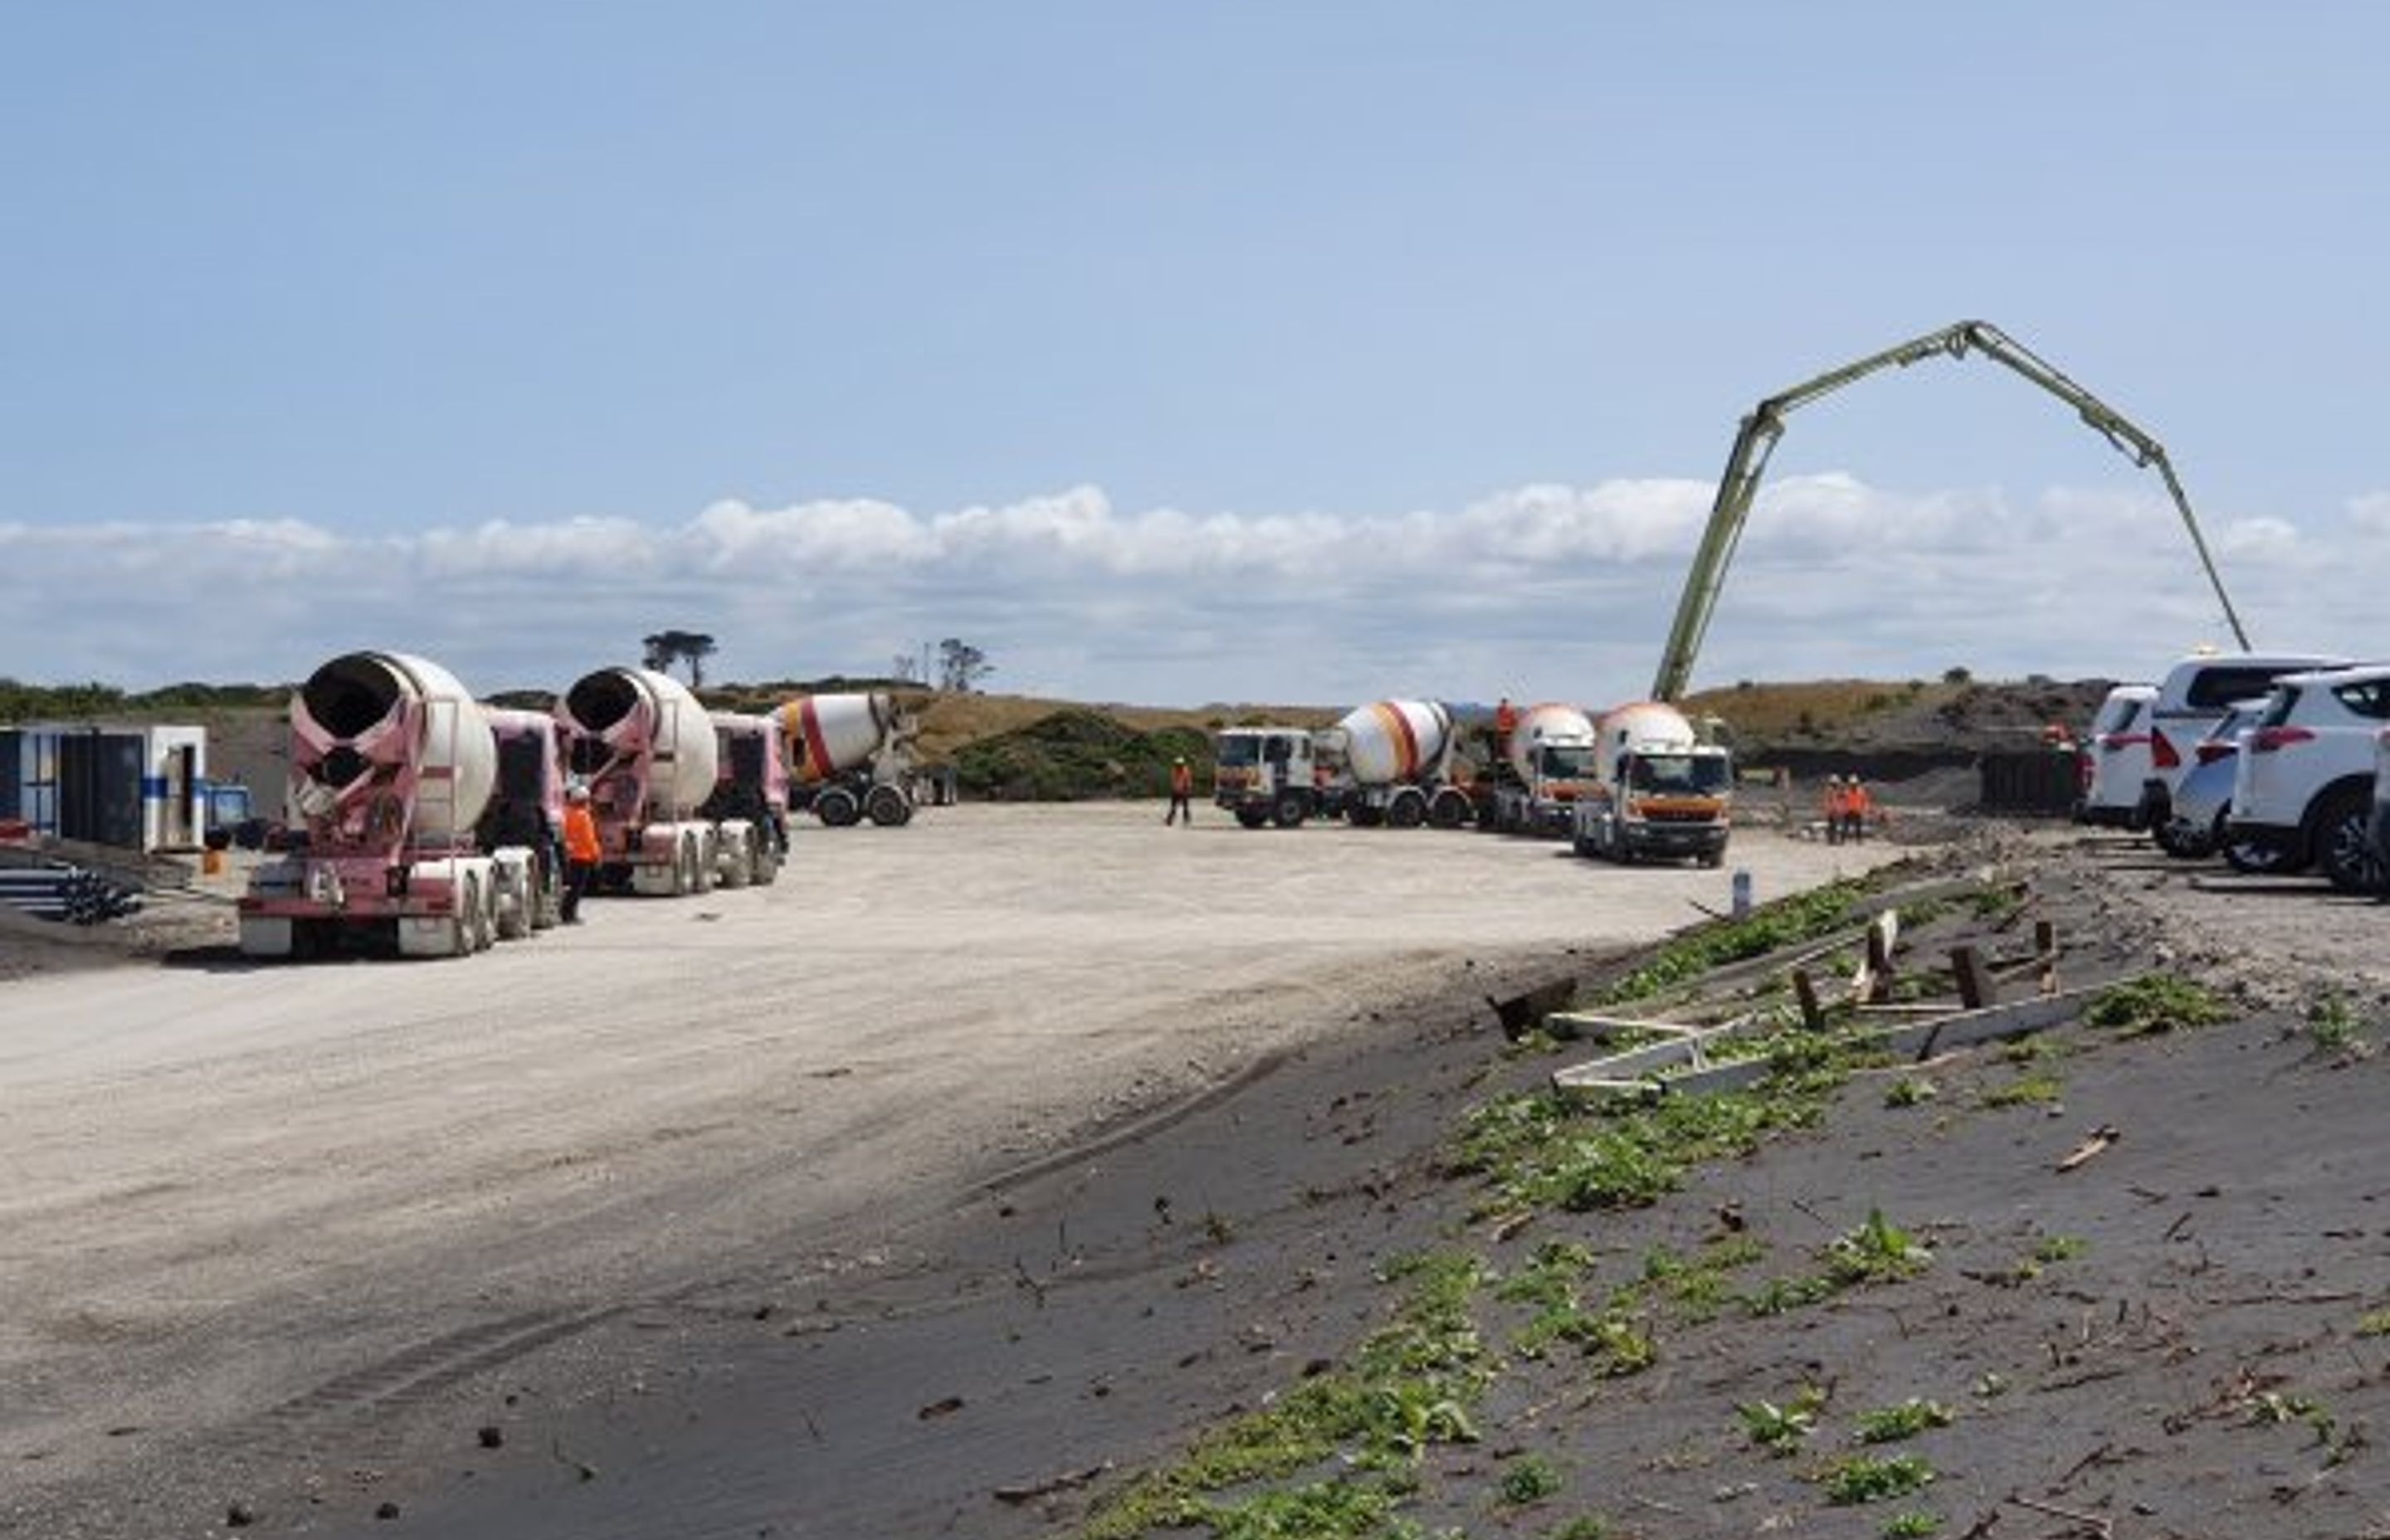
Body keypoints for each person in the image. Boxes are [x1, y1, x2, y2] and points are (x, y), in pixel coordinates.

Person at [560, 781, 602, 923]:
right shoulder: (583, 816)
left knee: (571, 887)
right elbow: (589, 839)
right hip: (583, 857)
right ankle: (570, 915)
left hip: (571, 856)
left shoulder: (567, 813)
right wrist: (596, 855)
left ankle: (565, 913)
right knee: (577, 889)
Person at [1841, 775, 1874, 844]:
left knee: (1858, 827)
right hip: (1848, 810)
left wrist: (1865, 808)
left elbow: (1864, 800)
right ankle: (1843, 840)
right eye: (1852, 784)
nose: (1853, 785)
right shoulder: (1847, 791)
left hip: (1857, 810)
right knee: (1846, 826)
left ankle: (1858, 840)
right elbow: (1843, 801)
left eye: (1854, 784)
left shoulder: (1860, 791)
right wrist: (1843, 809)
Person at [1165, 755, 1194, 826]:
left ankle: (1186, 819)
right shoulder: (1174, 770)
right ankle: (1170, 820)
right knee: (1173, 806)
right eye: (1177, 764)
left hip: (1183, 790)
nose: (1179, 766)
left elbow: (1188, 781)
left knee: (1185, 807)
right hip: (1176, 791)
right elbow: (1173, 781)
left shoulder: (1185, 771)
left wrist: (1188, 789)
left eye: (1180, 764)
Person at [1822, 774, 1847, 845]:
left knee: (1836, 825)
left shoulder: (1839, 790)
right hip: (1832, 810)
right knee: (1832, 825)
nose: (1835, 784)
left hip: (1837, 810)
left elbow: (1843, 798)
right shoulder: (1830, 790)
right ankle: (1831, 840)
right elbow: (1827, 800)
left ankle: (1834, 840)